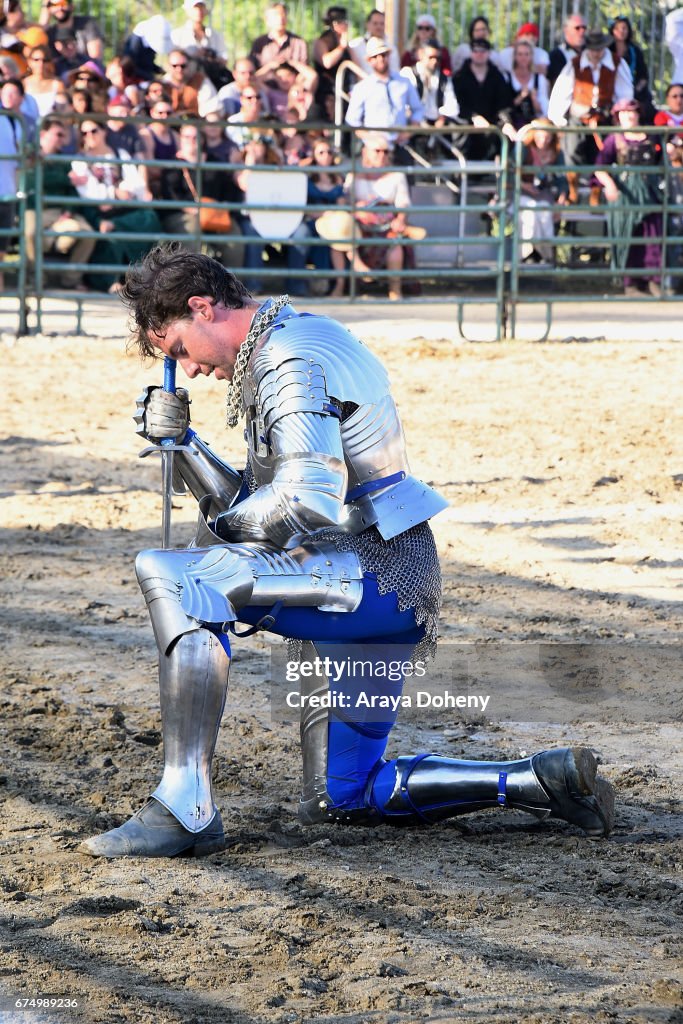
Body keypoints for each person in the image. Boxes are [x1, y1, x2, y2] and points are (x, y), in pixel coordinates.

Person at [78, 242, 616, 858]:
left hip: (364, 580)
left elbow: (306, 505)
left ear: (202, 307)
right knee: (343, 796)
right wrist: (188, 445)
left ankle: (183, 807)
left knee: (172, 576)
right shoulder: (291, 339)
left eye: (177, 348)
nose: (189, 369)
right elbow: (263, 499)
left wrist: (215, 550)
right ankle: (536, 779)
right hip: (371, 581)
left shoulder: (289, 358)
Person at [69, 117, 160, 291]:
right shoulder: (80, 160)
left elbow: (136, 183)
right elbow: (88, 192)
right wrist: (114, 193)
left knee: (150, 219)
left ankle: (144, 278)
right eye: (84, 133)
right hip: (99, 211)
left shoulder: (119, 154)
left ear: (103, 131)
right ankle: (110, 281)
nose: (89, 135)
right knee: (112, 236)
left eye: (94, 130)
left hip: (124, 209)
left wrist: (124, 189)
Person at [548, 29, 633, 203]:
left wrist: (620, 115)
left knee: (602, 155)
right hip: (578, 116)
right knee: (571, 150)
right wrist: (558, 118)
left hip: (603, 118)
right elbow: (561, 91)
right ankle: (573, 189)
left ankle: (596, 191)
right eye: (593, 49)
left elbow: (625, 94)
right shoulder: (575, 64)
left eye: (599, 49)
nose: (596, 53)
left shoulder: (616, 63)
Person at [595, 98, 664, 297]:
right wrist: (610, 185)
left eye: (631, 111)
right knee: (628, 236)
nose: (628, 116)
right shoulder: (614, 139)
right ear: (618, 116)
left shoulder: (651, 136)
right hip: (626, 193)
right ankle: (631, 284)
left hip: (649, 191)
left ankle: (654, 281)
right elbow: (599, 167)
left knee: (652, 235)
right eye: (623, 112)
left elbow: (662, 162)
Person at [24, 116, 95, 289]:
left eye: (63, 135)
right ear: (43, 134)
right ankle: (36, 279)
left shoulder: (63, 160)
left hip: (61, 210)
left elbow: (73, 191)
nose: (62, 140)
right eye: (58, 134)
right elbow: (32, 181)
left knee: (89, 234)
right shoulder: (30, 154)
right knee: (30, 232)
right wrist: (67, 180)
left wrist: (69, 211)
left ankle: (71, 280)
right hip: (35, 208)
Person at [345, 36, 425, 162]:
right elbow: (352, 120)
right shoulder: (362, 87)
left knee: (404, 179)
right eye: (375, 57)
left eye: (383, 55)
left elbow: (418, 110)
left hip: (400, 145)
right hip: (373, 149)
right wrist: (372, 139)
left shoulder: (403, 82)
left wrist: (408, 132)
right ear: (369, 60)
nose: (380, 59)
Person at [515, 117, 568, 263]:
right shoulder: (523, 149)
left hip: (543, 194)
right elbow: (509, 173)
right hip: (520, 192)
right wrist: (522, 185)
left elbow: (562, 179)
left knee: (545, 213)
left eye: (547, 136)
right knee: (529, 213)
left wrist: (561, 201)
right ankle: (526, 254)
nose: (543, 140)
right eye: (540, 135)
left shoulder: (557, 153)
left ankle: (545, 255)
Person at [452, 38, 514, 160]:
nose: (479, 54)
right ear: (471, 53)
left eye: (483, 51)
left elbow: (503, 105)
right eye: (475, 51)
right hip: (467, 124)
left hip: (492, 124)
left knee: (507, 136)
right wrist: (474, 117)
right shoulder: (460, 77)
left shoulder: (497, 77)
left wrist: (507, 123)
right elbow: (456, 105)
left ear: (489, 53)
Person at [608, 15, 652, 120]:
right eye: (617, 28)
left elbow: (643, 76)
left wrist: (635, 91)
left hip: (634, 92)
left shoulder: (635, 51)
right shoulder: (607, 51)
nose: (621, 31)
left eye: (624, 28)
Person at [504, 38, 549, 133]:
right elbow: (504, 107)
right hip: (511, 124)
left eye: (526, 54)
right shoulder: (507, 77)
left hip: (533, 124)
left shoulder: (539, 79)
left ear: (531, 56)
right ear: (515, 56)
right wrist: (520, 97)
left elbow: (543, 110)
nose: (523, 58)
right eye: (520, 54)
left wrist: (534, 99)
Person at [40, 0, 103, 65]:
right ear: (49, 9)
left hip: (85, 71)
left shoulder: (86, 24)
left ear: (72, 6)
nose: (59, 8)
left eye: (63, 3)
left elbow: (96, 59)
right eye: (54, 5)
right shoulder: (50, 33)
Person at [349, 8, 399, 75]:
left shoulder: (391, 48)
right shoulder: (356, 45)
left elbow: (395, 71)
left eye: (382, 23)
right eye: (375, 23)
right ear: (368, 24)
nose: (379, 26)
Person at [547, 13, 587, 88]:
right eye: (577, 28)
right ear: (566, 30)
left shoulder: (592, 51)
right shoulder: (556, 55)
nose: (582, 32)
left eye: (584, 28)